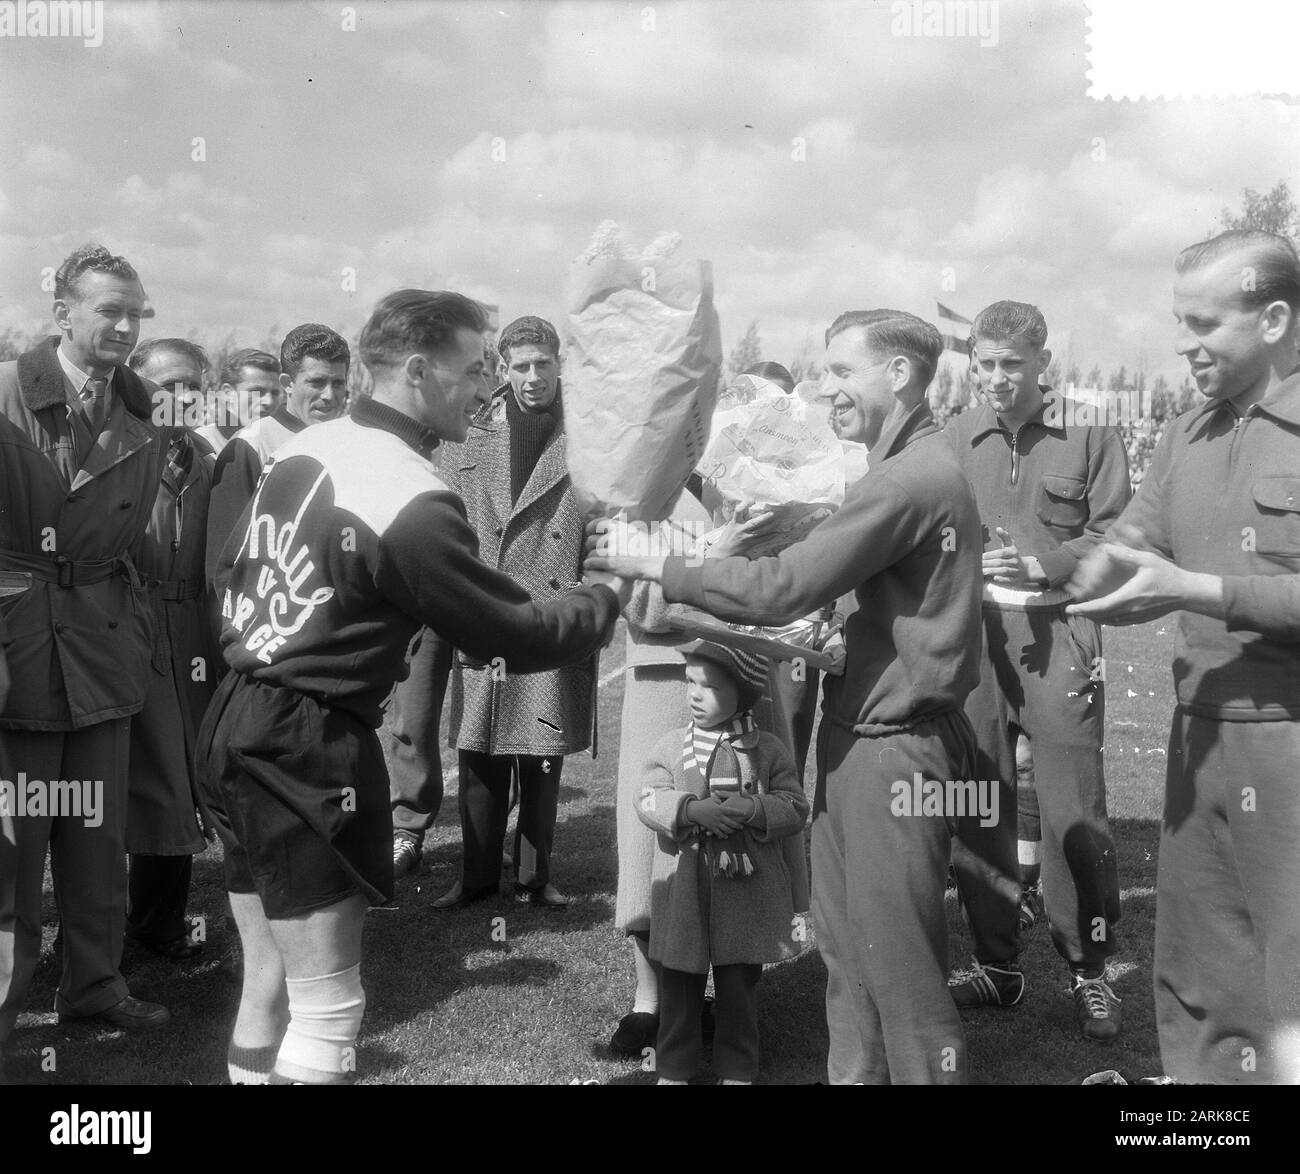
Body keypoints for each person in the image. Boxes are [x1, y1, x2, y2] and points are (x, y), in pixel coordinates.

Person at [197, 289, 627, 1085]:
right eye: (475, 369)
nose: (488, 388)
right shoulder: (411, 492)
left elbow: (227, 570)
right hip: (307, 743)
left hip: (233, 714)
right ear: (421, 370)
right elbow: (513, 636)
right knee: (328, 1008)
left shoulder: (304, 444)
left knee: (267, 983)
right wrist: (604, 590)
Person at [590, 308, 984, 1084]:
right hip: (863, 736)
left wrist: (660, 565)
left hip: (898, 749)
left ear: (899, 375)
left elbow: (785, 586)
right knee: (849, 954)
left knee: (897, 964)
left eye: (842, 371)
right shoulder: (897, 469)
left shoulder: (911, 477)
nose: (823, 389)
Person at [1068, 229, 1300, 1084]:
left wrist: (1195, 590)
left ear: (1273, 317)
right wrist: (1032, 571)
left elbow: (1177, 580)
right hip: (1199, 736)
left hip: (1289, 738)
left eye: (1203, 322)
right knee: (1203, 971)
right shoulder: (1184, 433)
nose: (1182, 343)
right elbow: (1124, 546)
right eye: (1179, 321)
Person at [945, 300, 1130, 1040]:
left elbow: (1118, 533)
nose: (995, 378)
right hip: (975, 639)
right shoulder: (956, 434)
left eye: (1011, 364)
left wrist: (1043, 561)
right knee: (977, 800)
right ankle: (998, 964)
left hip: (1059, 629)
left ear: (1042, 363)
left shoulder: (1090, 430)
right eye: (983, 364)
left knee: (1074, 809)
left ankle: (1089, 970)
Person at [0, 243, 170, 1042]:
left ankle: (95, 987)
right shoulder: (5, 394)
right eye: (111, 310)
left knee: (96, 841)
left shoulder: (140, 411)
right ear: (62, 312)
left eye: (136, 313)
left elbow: (133, 544)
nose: (127, 327)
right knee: (11, 847)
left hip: (102, 651)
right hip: (18, 647)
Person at [433, 316, 594, 910]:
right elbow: (447, 520)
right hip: (484, 611)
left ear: (559, 367)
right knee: (479, 753)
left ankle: (533, 877)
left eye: (543, 365)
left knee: (541, 760)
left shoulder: (589, 437)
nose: (532, 378)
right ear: (504, 369)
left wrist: (584, 595)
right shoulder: (468, 436)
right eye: (520, 366)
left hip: (552, 615)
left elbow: (603, 527)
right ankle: (474, 880)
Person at [637, 640, 808, 1085]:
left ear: (743, 692)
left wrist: (753, 810)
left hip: (745, 898)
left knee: (738, 990)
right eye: (689, 682)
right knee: (679, 988)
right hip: (685, 894)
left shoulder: (766, 750)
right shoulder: (672, 745)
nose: (694, 694)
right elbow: (647, 798)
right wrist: (691, 811)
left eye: (708, 686)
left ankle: (737, 1068)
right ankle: (673, 1068)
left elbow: (795, 806)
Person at [123, 339, 219, 961]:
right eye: (166, 387)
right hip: (131, 621)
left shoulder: (211, 462)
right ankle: (111, 931)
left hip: (195, 630)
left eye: (192, 386)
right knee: (136, 776)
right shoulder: (118, 455)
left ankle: (162, 921)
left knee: (186, 775)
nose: (180, 398)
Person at [204, 324, 349, 585]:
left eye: (338, 383)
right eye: (316, 382)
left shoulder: (350, 444)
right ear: (287, 383)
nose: (329, 395)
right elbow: (223, 563)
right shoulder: (251, 445)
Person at [196, 348, 281, 455]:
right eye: (257, 391)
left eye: (275, 393)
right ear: (228, 393)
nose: (269, 401)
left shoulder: (285, 444)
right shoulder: (202, 443)